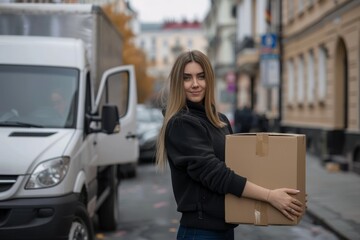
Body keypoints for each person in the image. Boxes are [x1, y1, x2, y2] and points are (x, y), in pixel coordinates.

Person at [156, 50, 303, 240]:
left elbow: (240, 168)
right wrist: (269, 196)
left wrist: (286, 190)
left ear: (209, 80)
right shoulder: (181, 123)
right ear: (178, 83)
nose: (195, 84)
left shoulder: (220, 120)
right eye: (187, 78)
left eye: (201, 77)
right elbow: (216, 174)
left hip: (225, 229)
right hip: (199, 232)